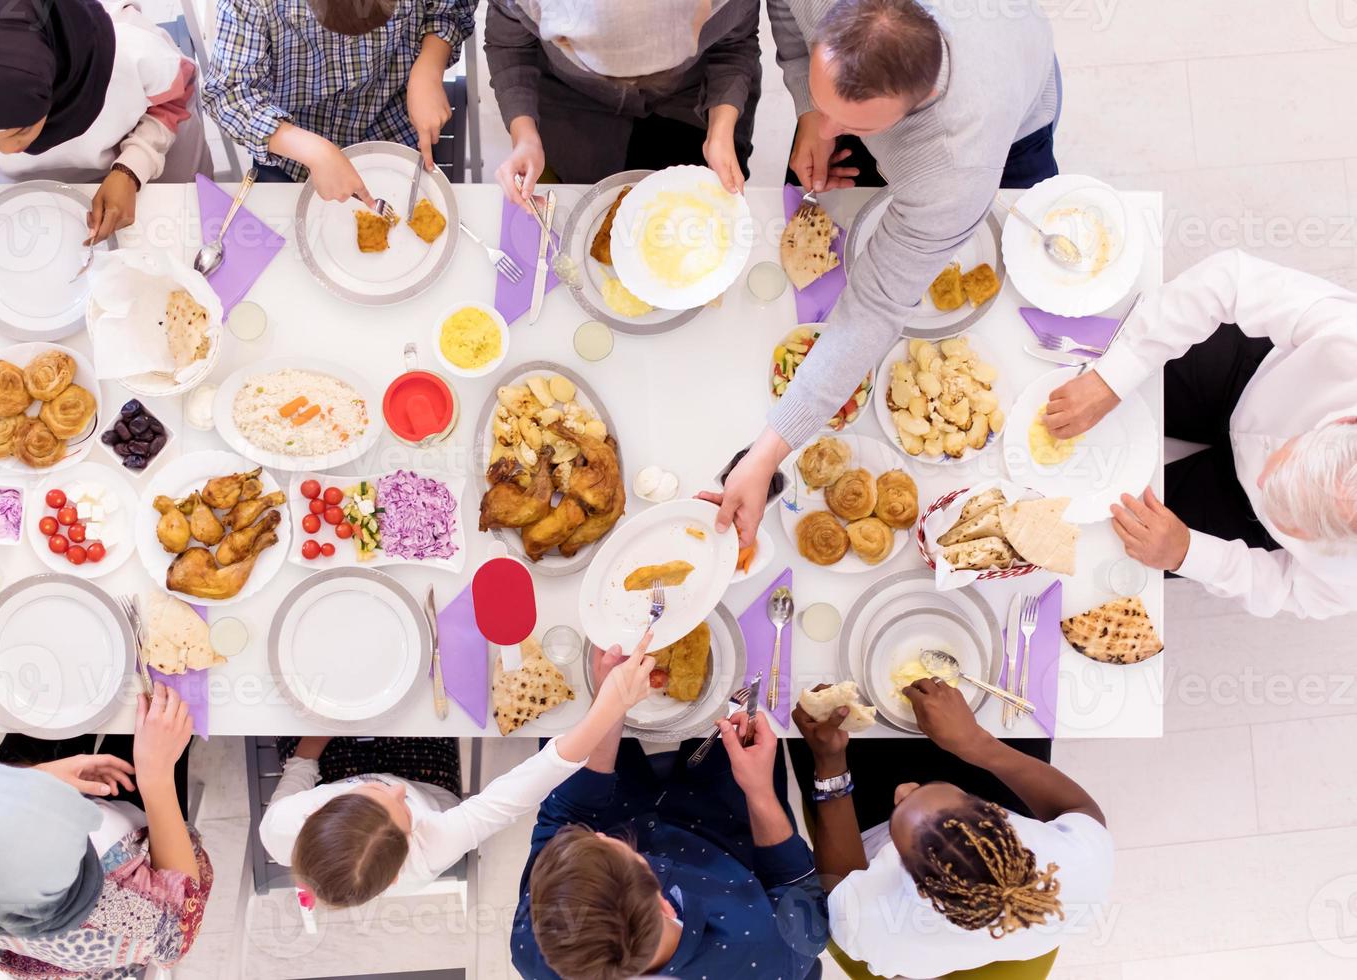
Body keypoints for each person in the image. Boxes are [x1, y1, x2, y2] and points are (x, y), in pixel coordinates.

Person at [710, 0, 1060, 544]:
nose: (833, 131)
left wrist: (764, 455)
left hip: (1015, 115)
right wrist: (809, 108)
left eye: (850, 124)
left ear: (912, 106)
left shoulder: (954, 168)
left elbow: (872, 310)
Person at [1040, 249, 1357, 619]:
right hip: (1246, 379)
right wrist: (1111, 379)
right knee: (1066, 385)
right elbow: (1230, 281)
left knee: (1086, 534)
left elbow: (1292, 589)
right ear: (1345, 422)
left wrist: (1187, 553)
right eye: (1281, 460)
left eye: (1289, 517)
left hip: (1242, 514)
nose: (1260, 475)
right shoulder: (1348, 339)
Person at [262, 634, 656, 907]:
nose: (396, 791)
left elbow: (298, 769)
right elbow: (519, 790)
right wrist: (610, 705)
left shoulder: (279, 826)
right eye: (404, 813)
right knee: (436, 697)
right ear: (399, 870)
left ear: (317, 812)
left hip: (329, 764)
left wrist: (318, 735)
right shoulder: (430, 850)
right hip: (426, 779)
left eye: (374, 792)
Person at [512, 673, 829, 979]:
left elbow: (566, 817)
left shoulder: (539, 942)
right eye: (630, 854)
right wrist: (758, 789)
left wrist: (605, 706)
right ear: (666, 904)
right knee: (741, 680)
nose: (592, 837)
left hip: (613, 811)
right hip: (730, 837)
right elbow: (798, 887)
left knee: (572, 694)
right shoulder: (765, 957)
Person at [791, 681, 1112, 979]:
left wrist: (830, 762)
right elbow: (1082, 811)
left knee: (811, 720)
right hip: (989, 782)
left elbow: (841, 884)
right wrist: (976, 742)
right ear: (995, 814)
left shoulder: (876, 927)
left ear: (914, 884)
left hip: (864, 820)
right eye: (928, 791)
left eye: (901, 811)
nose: (903, 788)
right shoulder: (1079, 871)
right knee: (1015, 692)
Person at [0, 684, 209, 979]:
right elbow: (178, 929)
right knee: (163, 711)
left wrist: (39, 777)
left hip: (12, 793)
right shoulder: (127, 916)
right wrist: (156, 775)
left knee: (62, 691)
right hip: (136, 817)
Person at [0, 0, 212, 265]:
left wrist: (131, 169)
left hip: (152, 158)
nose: (9, 151)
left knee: (176, 251)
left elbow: (177, 96)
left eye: (22, 130)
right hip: (32, 184)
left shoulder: (130, 52)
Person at [202, 0, 476, 207]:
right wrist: (312, 151)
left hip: (393, 131)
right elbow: (226, 93)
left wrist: (430, 64)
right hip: (292, 152)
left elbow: (451, 7)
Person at [486, 0, 762, 203]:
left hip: (689, 99)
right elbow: (511, 45)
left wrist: (720, 130)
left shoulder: (728, 5)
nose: (632, 85)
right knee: (583, 210)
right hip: (570, 99)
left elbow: (735, 46)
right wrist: (525, 135)